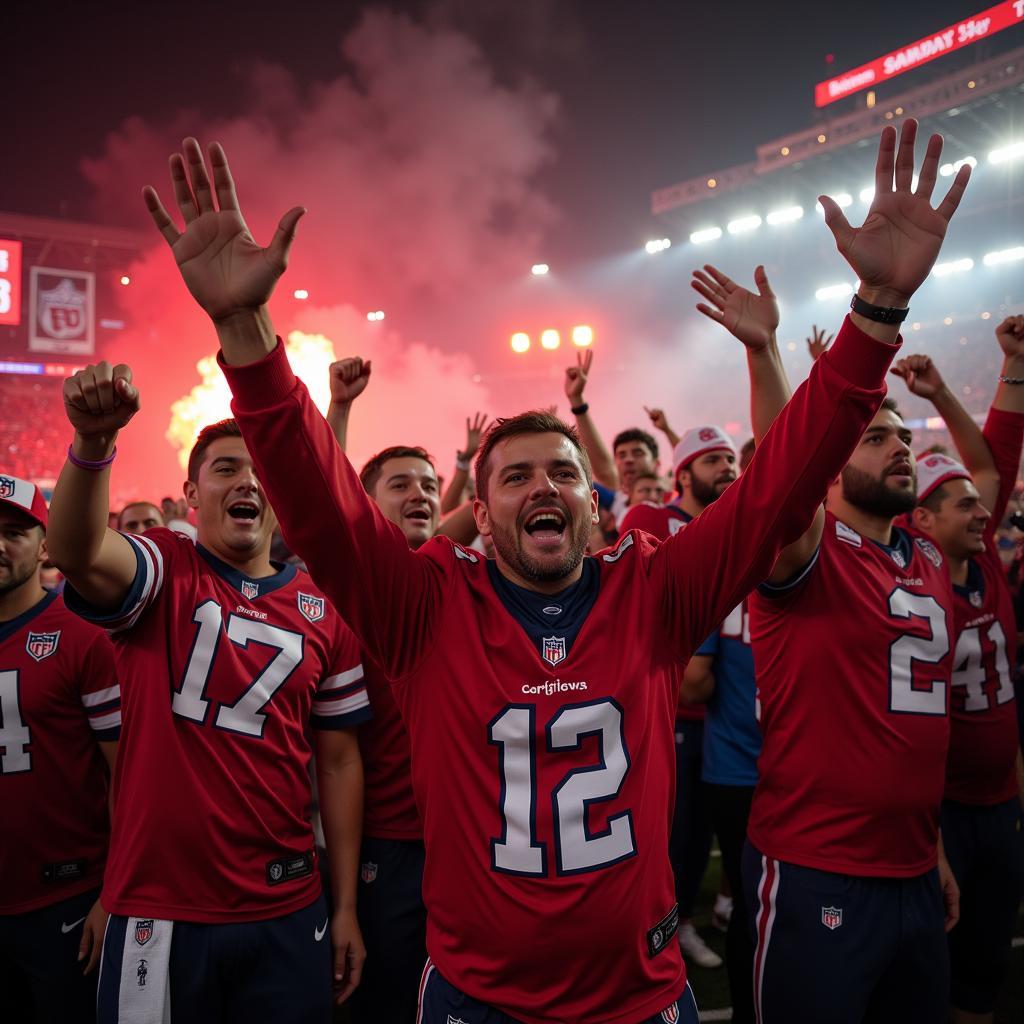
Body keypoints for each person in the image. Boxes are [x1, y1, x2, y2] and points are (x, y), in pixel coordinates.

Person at [141, 120, 966, 1024]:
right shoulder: (423, 606)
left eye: (565, 472)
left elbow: (780, 486)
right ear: (481, 514)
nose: (546, 487)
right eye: (517, 475)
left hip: (638, 999)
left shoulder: (652, 590)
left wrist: (877, 311)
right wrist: (244, 335)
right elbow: (321, 505)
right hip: (477, 999)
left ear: (594, 502)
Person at [739, 121, 972, 1024]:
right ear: (830, 468)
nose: (900, 446)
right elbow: (777, 481)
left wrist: (933, 848)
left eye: (901, 434)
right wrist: (870, 307)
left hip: (915, 865)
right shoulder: (809, 551)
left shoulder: (924, 554)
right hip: (818, 869)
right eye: (873, 437)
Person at [47, 404, 371, 1022]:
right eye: (227, 468)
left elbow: (338, 761)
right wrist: (93, 440)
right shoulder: (166, 563)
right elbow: (74, 550)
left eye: (261, 471)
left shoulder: (324, 609)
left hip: (287, 900)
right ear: (193, 493)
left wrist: (346, 904)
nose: (248, 481)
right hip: (159, 907)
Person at [894, 323, 1024, 1024]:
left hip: (1000, 799)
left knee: (986, 961)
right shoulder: (913, 583)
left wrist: (994, 372)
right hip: (940, 809)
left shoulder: (989, 566)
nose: (984, 511)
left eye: (980, 505)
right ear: (923, 520)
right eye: (965, 505)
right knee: (930, 965)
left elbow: (995, 460)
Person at [674, 262, 790, 1024]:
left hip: (779, 755)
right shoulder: (664, 536)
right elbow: (693, 680)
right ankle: (686, 914)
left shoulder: (762, 541)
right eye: (712, 460)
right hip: (714, 748)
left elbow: (787, 483)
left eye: (730, 459)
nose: (725, 470)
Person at [325, 355, 437, 1022]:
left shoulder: (465, 579)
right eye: (400, 484)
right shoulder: (353, 589)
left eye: (429, 483)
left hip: (469, 835)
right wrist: (338, 412)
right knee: (389, 999)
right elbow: (324, 503)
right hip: (387, 840)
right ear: (367, 503)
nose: (420, 492)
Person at [0, 473, 119, 1023]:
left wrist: (111, 894)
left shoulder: (81, 634)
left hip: (64, 901)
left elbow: (127, 775)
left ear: (45, 543)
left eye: (14, 532)